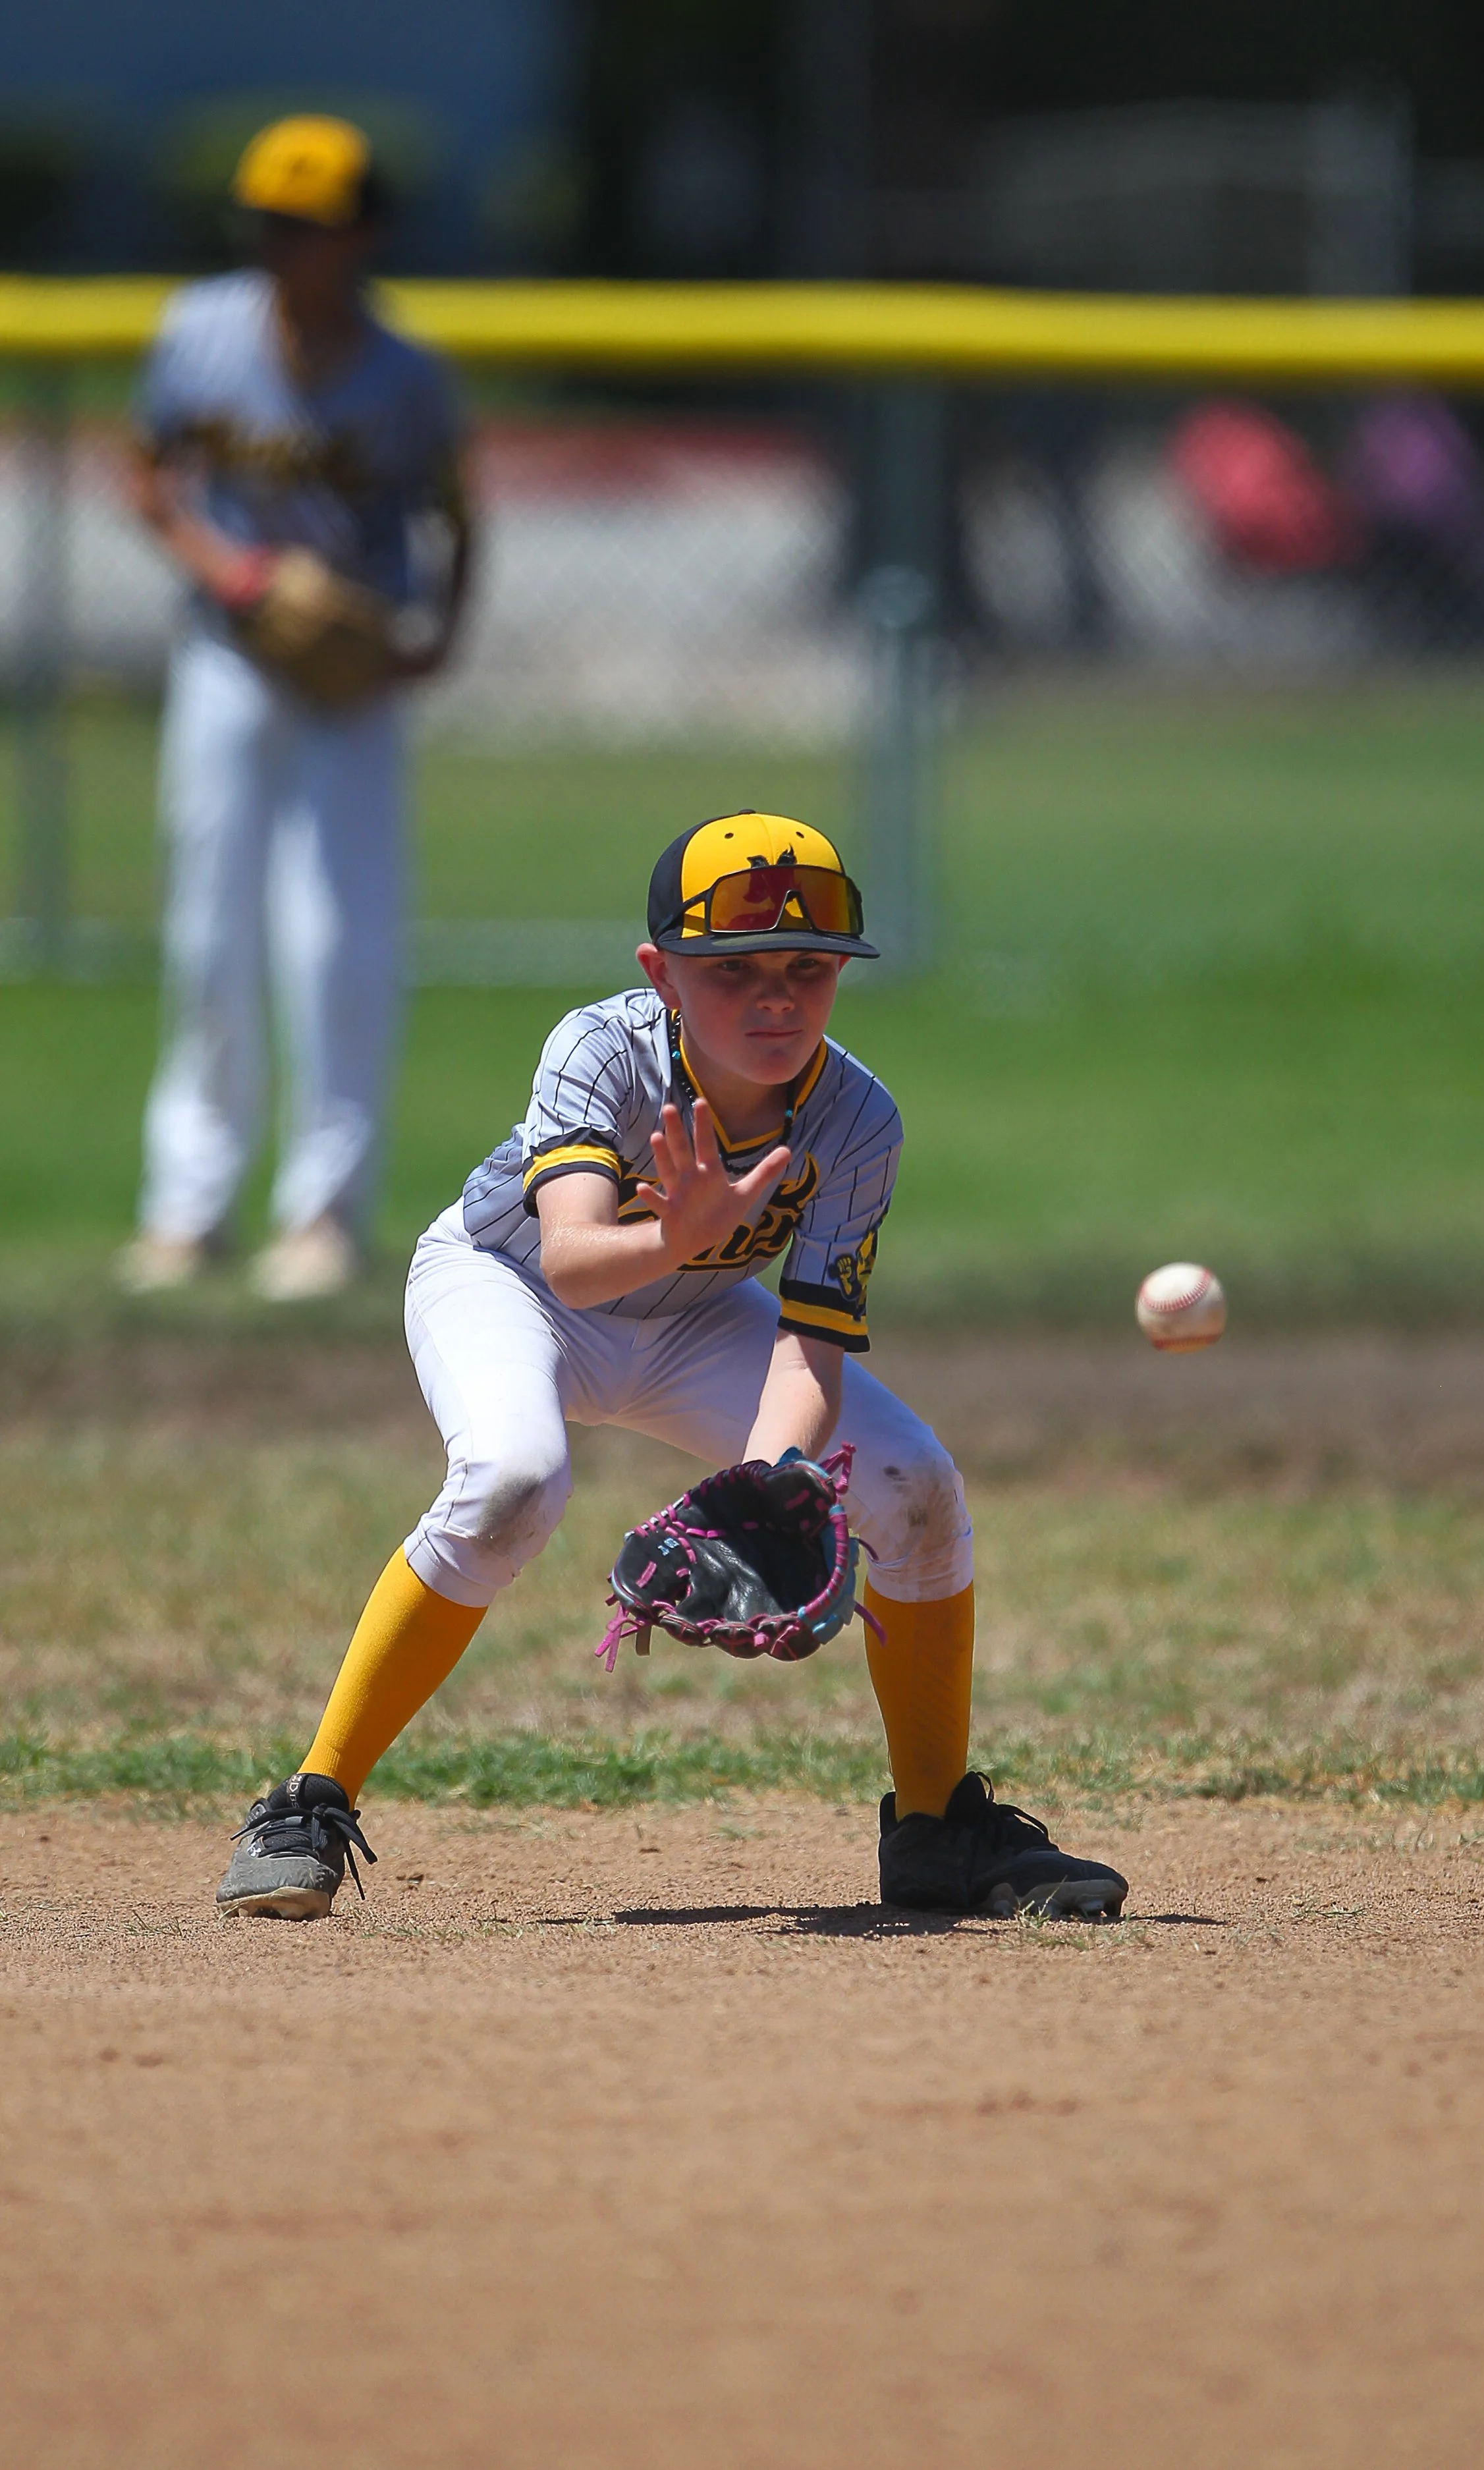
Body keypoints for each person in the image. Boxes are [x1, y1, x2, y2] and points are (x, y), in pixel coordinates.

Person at [213, 813, 1130, 1920]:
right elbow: (574, 1260)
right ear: (662, 974)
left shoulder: (858, 1118)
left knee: (918, 1487)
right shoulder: (603, 1049)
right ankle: (306, 1805)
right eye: (733, 970)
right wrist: (680, 1234)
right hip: (510, 1287)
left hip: (699, 1315)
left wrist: (766, 1481)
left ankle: (939, 1832)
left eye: (809, 968)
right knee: (513, 1479)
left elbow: (813, 1336)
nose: (777, 997)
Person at [117, 116, 473, 1302]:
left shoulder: (405, 374)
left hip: (351, 675)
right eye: (265, 222)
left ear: (359, 234)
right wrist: (229, 568)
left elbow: (461, 516)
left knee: (337, 943)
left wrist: (436, 642)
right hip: (228, 656)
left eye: (304, 226)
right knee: (209, 935)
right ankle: (187, 1209)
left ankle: (322, 1212)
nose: (280, 245)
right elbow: (147, 474)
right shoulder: (198, 330)